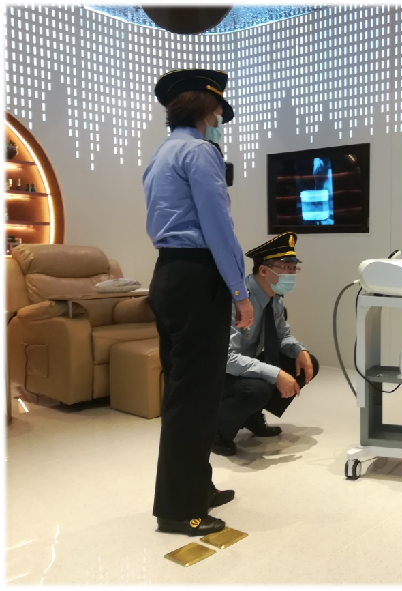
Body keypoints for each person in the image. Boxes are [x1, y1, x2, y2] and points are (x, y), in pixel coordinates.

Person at [144, 69, 253, 536]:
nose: (220, 119)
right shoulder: (201, 152)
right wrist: (240, 292)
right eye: (218, 110)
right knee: (196, 397)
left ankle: (197, 487)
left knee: (183, 390)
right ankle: (179, 508)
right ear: (208, 109)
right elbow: (218, 228)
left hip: (168, 275)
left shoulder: (160, 155)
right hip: (197, 278)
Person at [211, 232, 320, 457]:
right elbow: (227, 359)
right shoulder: (237, 300)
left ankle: (250, 415)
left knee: (307, 362)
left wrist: (299, 350)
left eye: (294, 269)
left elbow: (281, 336)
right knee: (257, 388)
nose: (292, 274)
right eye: (286, 268)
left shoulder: (274, 297)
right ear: (264, 270)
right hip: (218, 371)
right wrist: (275, 374)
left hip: (244, 363)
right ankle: (217, 430)